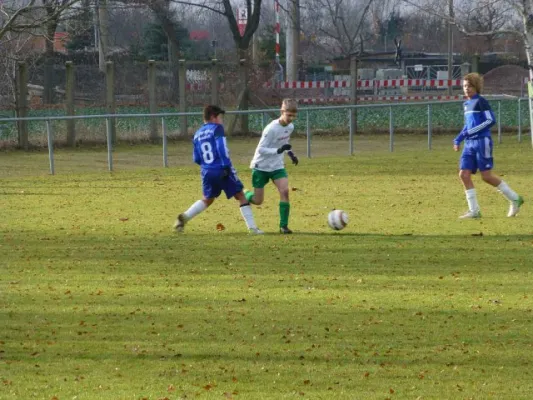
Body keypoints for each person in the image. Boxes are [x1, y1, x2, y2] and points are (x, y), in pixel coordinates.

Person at [174, 105, 263, 234]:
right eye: (220, 117)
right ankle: (253, 228)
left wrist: (207, 166)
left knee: (207, 199)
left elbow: (196, 158)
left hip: (206, 171)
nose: (221, 120)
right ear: (213, 117)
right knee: (241, 195)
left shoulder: (197, 134)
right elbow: (221, 148)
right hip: (221, 168)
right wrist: (225, 166)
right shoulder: (217, 129)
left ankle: (185, 217)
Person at [453, 72, 524, 219]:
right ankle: (474, 211)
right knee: (464, 174)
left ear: (476, 87)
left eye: (470, 86)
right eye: (465, 86)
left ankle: (515, 199)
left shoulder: (481, 101)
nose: (467, 89)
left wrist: (471, 132)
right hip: (469, 144)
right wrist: (458, 139)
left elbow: (490, 121)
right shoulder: (466, 104)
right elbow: (467, 126)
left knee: (486, 176)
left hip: (482, 142)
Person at [245, 98, 299, 234]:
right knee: (258, 201)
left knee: (285, 191)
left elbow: (284, 143)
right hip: (261, 166)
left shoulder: (290, 127)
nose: (291, 118)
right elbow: (261, 149)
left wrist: (290, 153)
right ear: (282, 111)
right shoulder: (271, 129)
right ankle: (243, 193)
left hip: (277, 166)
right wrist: (278, 151)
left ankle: (283, 226)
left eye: (294, 115)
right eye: (289, 115)